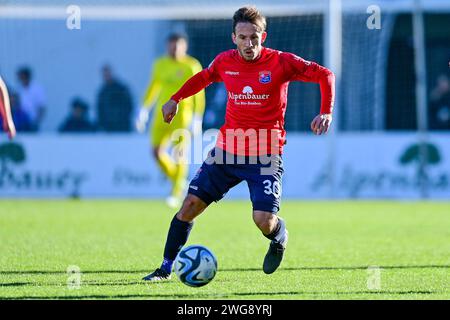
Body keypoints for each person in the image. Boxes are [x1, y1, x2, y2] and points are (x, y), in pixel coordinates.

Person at [142, 6, 335, 281]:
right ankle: (165, 268)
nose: (249, 43)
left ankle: (279, 234)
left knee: (263, 221)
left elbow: (325, 74)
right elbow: (203, 78)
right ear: (234, 37)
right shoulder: (225, 61)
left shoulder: (281, 62)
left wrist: (325, 111)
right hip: (226, 151)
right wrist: (176, 98)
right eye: (243, 37)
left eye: (254, 37)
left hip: (266, 154)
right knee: (189, 206)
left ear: (263, 36)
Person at [136, 33, 205, 208]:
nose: (174, 49)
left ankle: (175, 192)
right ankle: (178, 181)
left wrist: (197, 118)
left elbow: (199, 92)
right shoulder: (160, 64)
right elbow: (153, 87)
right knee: (156, 152)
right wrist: (144, 109)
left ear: (185, 46)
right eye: (172, 45)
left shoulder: (191, 65)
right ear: (167, 46)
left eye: (178, 45)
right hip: (161, 115)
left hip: (182, 116)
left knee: (179, 154)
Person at [97, 65, 133, 132]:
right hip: (108, 129)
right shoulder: (102, 92)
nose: (106, 76)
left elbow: (129, 105)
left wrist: (123, 118)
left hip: (123, 127)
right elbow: (100, 110)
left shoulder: (121, 89)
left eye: (108, 73)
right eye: (104, 74)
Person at [16, 66, 46, 131]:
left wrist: (37, 121)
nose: (21, 78)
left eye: (22, 76)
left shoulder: (37, 89)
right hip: (20, 121)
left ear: (27, 76)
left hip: (32, 121)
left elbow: (42, 106)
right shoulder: (18, 88)